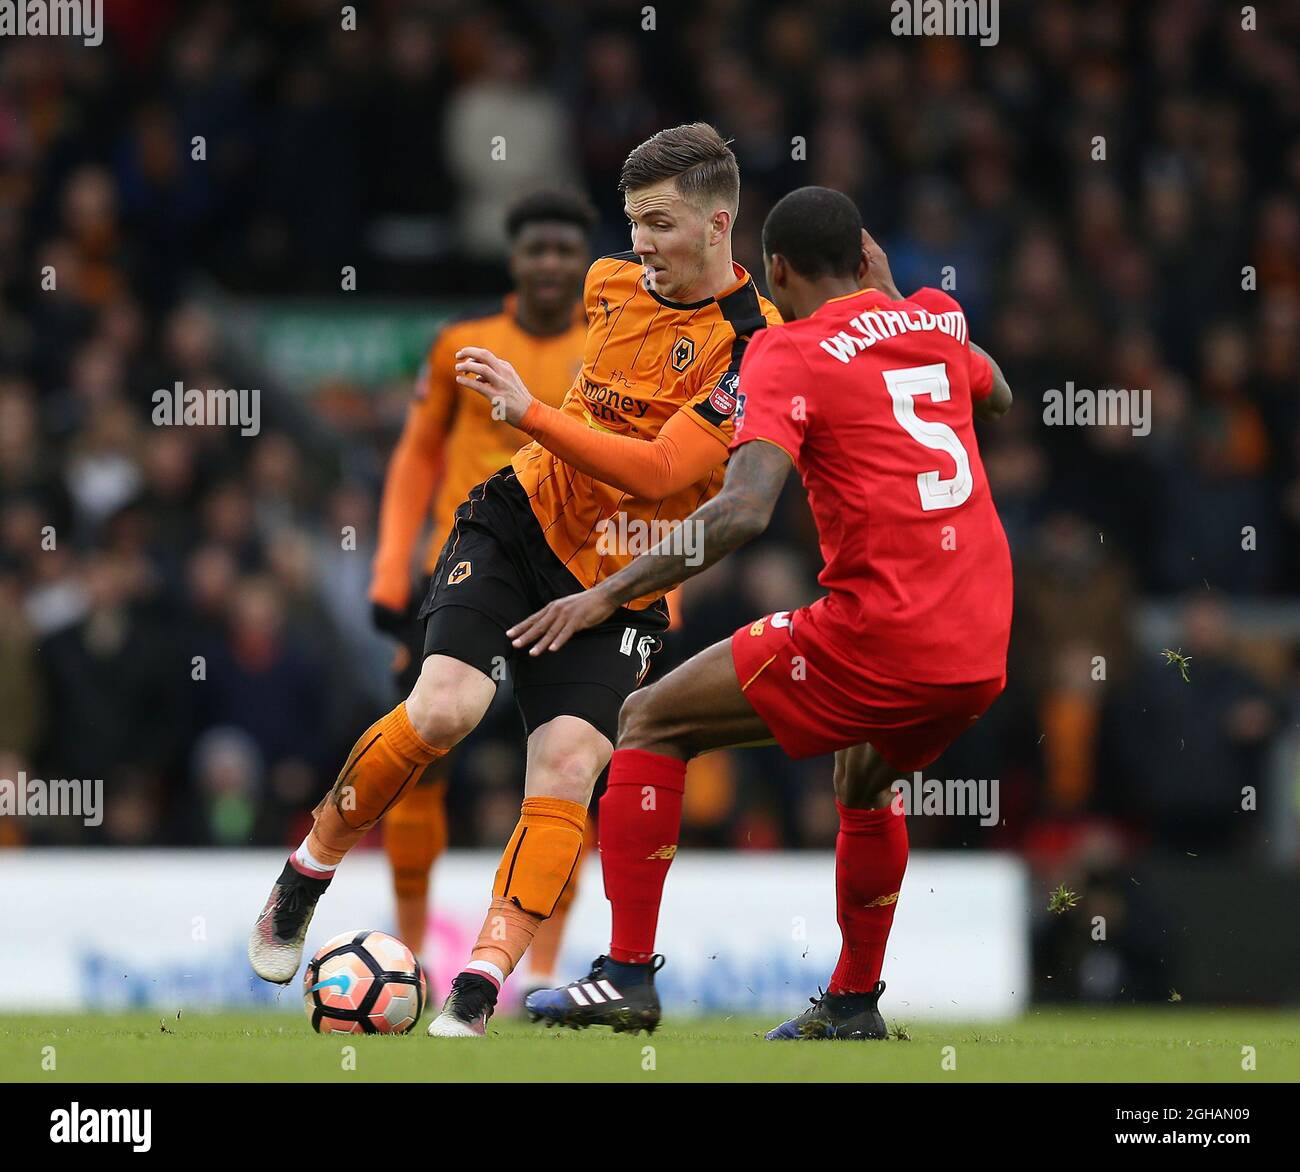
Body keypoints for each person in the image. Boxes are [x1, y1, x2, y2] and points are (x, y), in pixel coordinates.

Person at [247, 123, 783, 1040]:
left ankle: (478, 987)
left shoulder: (754, 345)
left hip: (624, 582)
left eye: (657, 223)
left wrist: (526, 410)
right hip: (516, 520)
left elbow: (656, 474)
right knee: (446, 708)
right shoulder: (607, 283)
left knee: (570, 765)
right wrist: (530, 425)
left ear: (717, 222)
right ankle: (308, 868)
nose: (640, 244)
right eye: (633, 222)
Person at [509, 186, 1014, 1039]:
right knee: (864, 776)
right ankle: (854, 1003)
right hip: (979, 642)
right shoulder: (937, 316)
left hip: (879, 632)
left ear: (775, 271)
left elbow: (743, 511)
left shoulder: (786, 350)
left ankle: (626, 976)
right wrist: (894, 307)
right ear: (866, 258)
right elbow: (996, 396)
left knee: (649, 720)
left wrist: (605, 592)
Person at [367, 189, 593, 992]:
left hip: (575, 578)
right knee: (419, 756)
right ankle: (410, 953)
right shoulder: (461, 345)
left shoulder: (611, 350)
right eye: (537, 248)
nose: (550, 264)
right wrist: (393, 568)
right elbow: (415, 458)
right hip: (465, 570)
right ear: (515, 258)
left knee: (568, 771)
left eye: (566, 249)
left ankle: (545, 975)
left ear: (585, 259)